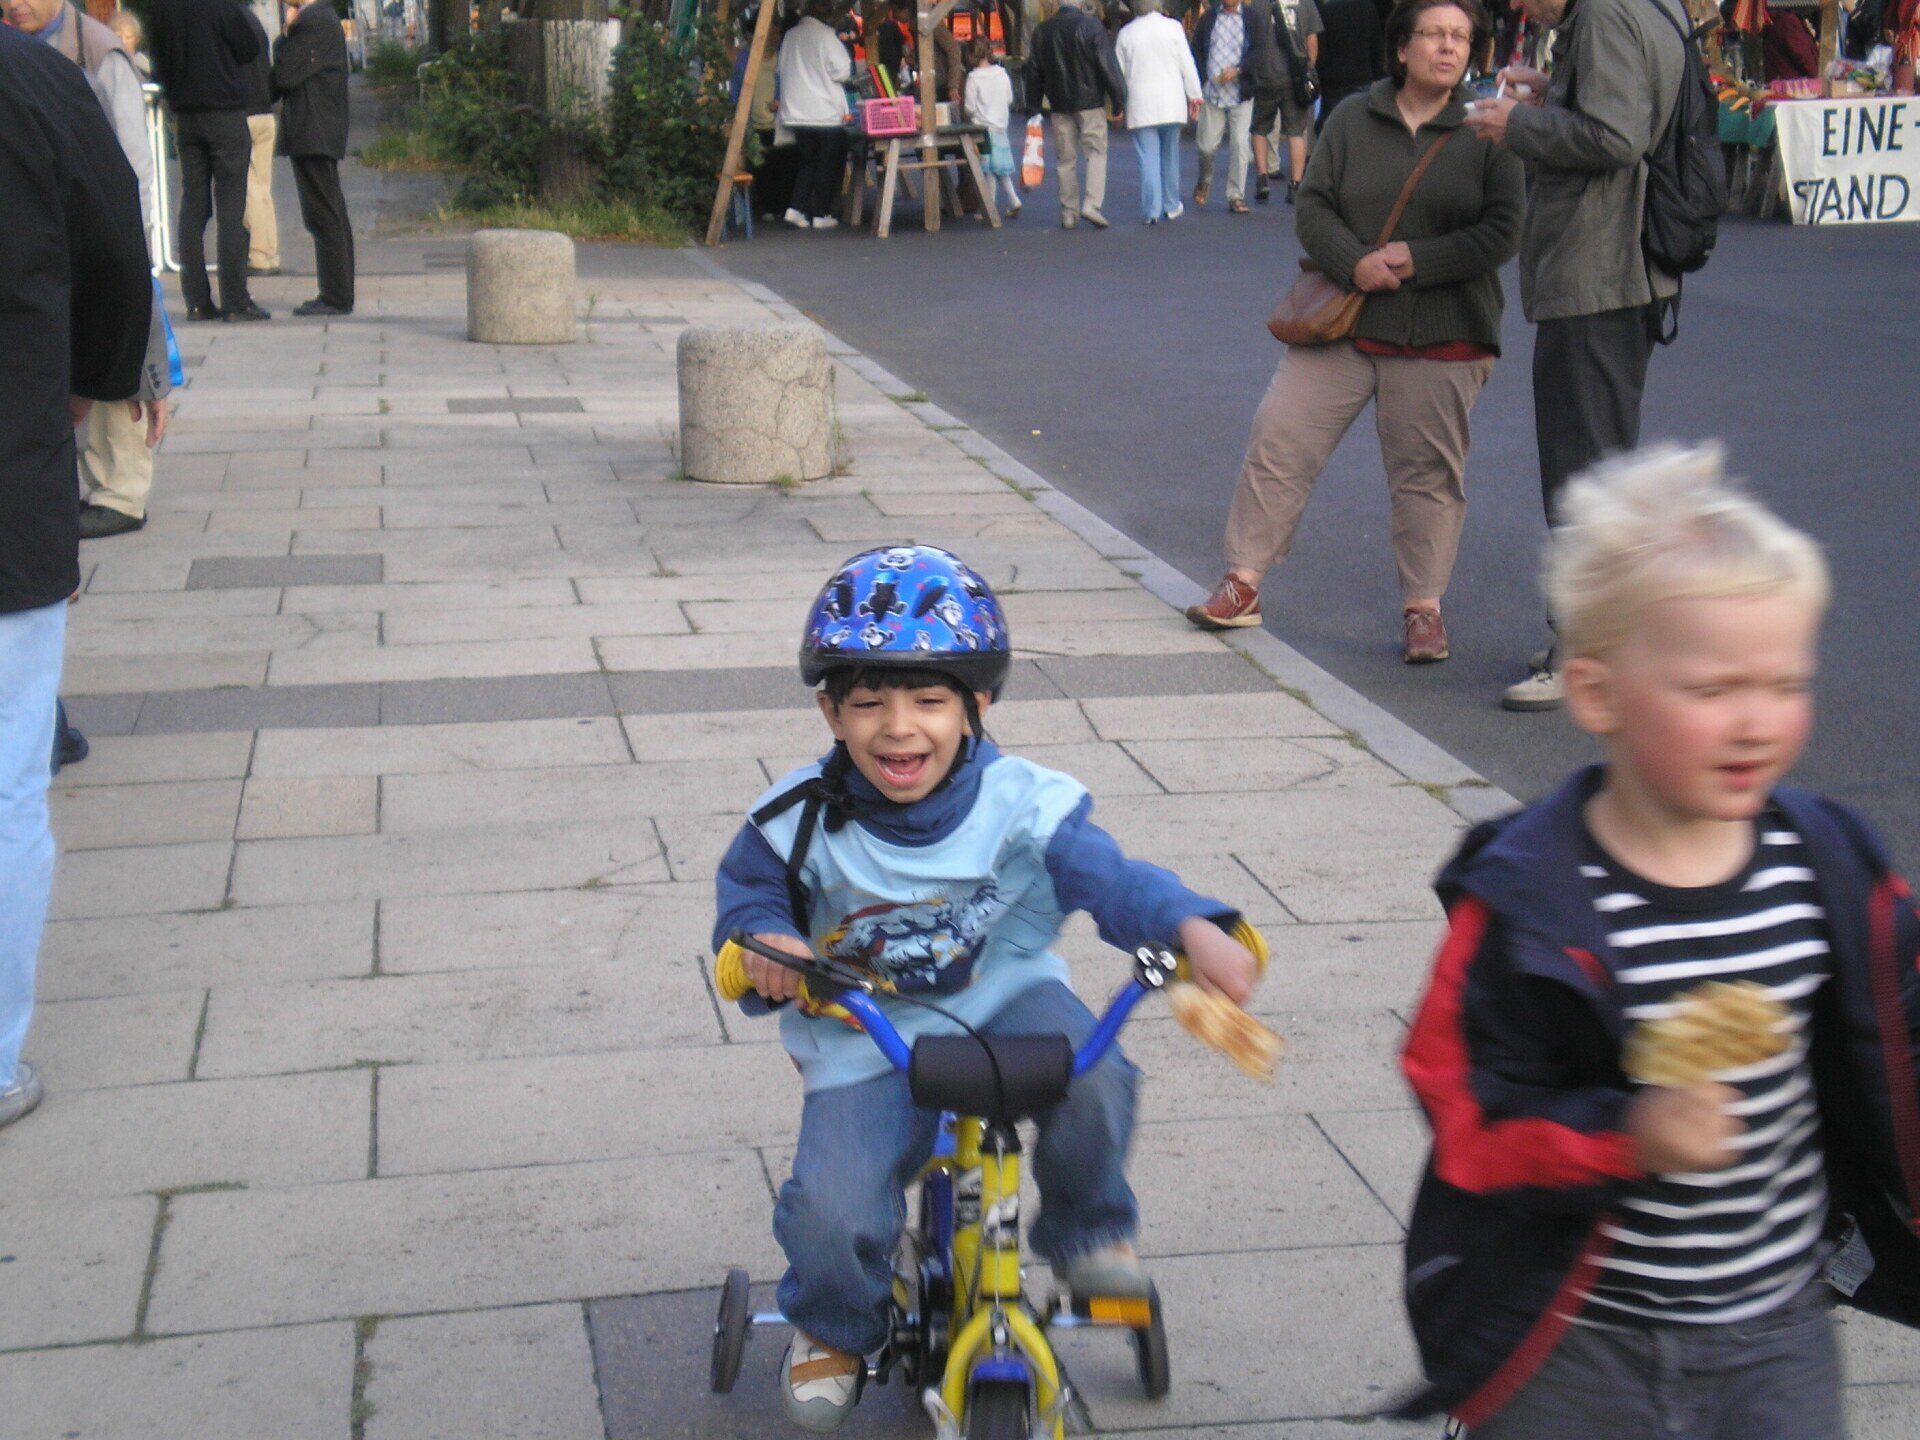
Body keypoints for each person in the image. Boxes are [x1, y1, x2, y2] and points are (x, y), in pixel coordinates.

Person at [1394, 444, 1920, 1436]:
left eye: (1785, 684)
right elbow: (1463, 1106)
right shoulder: (1530, 901)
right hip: (1577, 1338)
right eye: (1714, 690)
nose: (1756, 722)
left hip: (1775, 1331)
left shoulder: (1828, 865)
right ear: (1597, 695)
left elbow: (1900, 1028)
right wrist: (1627, 1134)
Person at [713, 543, 1261, 1433]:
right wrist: (765, 945)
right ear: (830, 711)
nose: (899, 728)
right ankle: (837, 1323)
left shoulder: (1026, 805)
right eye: (869, 703)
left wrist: (1190, 926)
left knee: (1098, 1074)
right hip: (866, 1026)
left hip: (1006, 995)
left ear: (978, 705)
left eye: (929, 701)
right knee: (831, 1205)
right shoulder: (795, 817)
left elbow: (1113, 880)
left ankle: (1089, 1232)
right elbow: (750, 902)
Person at [1188, 0, 1521, 665]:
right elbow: (1313, 206)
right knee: (1280, 436)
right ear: (1401, 47)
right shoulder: (1351, 118)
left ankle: (1423, 608)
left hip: (1443, 331)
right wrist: (1355, 262)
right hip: (1344, 322)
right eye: (1434, 34)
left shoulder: (1487, 127)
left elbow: (1502, 231)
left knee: (1426, 476)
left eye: (1460, 37)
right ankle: (1242, 581)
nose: (1448, 47)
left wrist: (1417, 259)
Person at [0, 20, 152, 1130]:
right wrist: (87, 389)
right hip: (10, 472)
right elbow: (114, 246)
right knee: (6, 787)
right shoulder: (34, 84)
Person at [1462, 0, 1686, 712]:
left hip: (1599, 267)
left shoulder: (1604, 16)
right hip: (1624, 266)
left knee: (1582, 468)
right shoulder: (1643, 8)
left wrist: (1518, 124)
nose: (1519, 7)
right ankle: (1604, 640)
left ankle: (1585, 649)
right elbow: (1627, 116)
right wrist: (1552, 97)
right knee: (1602, 465)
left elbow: (1615, 136)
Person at [7, 0, 177, 540]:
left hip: (100, 226)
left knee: (114, 347)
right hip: (50, 237)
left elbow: (131, 164)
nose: (15, 3)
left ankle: (121, 491)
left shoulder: (100, 52)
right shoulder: (25, 47)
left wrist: (134, 247)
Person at [148, 0, 267, 322]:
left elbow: (157, 59)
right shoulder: (221, 4)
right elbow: (249, 47)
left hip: (186, 115)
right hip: (224, 110)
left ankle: (197, 301)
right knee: (231, 207)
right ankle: (235, 300)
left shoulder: (162, 7)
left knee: (192, 206)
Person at [274, 0, 354, 316]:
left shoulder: (313, 21)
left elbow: (284, 75)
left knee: (323, 214)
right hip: (319, 129)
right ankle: (337, 293)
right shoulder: (324, 18)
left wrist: (285, 35)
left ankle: (335, 295)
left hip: (313, 129)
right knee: (329, 211)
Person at [1024, 0, 1126, 229]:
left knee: (1065, 159)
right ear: (1080, 3)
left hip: (1059, 104)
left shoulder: (1043, 31)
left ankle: (1069, 212)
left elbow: (1033, 71)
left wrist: (1033, 107)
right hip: (1091, 102)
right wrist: (1118, 102)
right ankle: (1092, 204)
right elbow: (1107, 66)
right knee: (1096, 152)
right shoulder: (1092, 27)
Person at [1114, 0, 1203, 222]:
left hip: (1141, 104)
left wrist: (1117, 105)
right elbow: (1187, 63)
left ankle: (1151, 210)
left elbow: (1118, 74)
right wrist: (1194, 94)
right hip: (1171, 102)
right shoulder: (1173, 28)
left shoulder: (1126, 34)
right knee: (1170, 154)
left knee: (1148, 158)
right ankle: (1171, 204)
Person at [1190, 0, 1274, 213]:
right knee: (1206, 146)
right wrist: (1202, 79)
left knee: (1240, 144)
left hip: (1240, 91)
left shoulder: (1252, 18)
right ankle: (1204, 179)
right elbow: (1197, 50)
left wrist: (1239, 69)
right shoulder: (1208, 18)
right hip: (1212, 91)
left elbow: (1259, 50)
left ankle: (1236, 195)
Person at [776, 0, 853, 230]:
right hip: (825, 112)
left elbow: (780, 68)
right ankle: (821, 213)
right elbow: (842, 72)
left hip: (796, 112)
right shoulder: (827, 36)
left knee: (808, 162)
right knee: (827, 164)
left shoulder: (790, 36)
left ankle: (795, 209)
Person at [1252, 0, 1320, 203]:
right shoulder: (1306, 3)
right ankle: (1295, 184)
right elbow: (1312, 41)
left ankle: (1262, 178)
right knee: (1296, 132)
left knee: (1259, 129)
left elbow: (1252, 38)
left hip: (1266, 75)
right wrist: (1308, 69)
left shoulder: (1260, 3)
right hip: (1295, 77)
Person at [241, 4, 280, 278]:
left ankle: (259, 255)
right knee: (262, 187)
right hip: (265, 112)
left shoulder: (228, 23)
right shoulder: (254, 23)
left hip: (245, 113)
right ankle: (270, 252)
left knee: (250, 187)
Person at [963, 36, 1022, 216]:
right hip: (1000, 127)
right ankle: (1012, 200)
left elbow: (969, 108)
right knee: (999, 168)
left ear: (971, 55)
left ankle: (989, 208)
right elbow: (1009, 98)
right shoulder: (1002, 73)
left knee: (988, 171)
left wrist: (969, 113)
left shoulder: (973, 78)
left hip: (983, 129)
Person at [1313, 0, 1386, 126]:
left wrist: (1320, 75)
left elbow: (1322, 49)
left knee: (1334, 125)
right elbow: (1376, 46)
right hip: (1362, 77)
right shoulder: (1368, 8)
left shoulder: (1326, 10)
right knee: (1361, 124)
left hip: (1333, 81)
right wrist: (1379, 76)